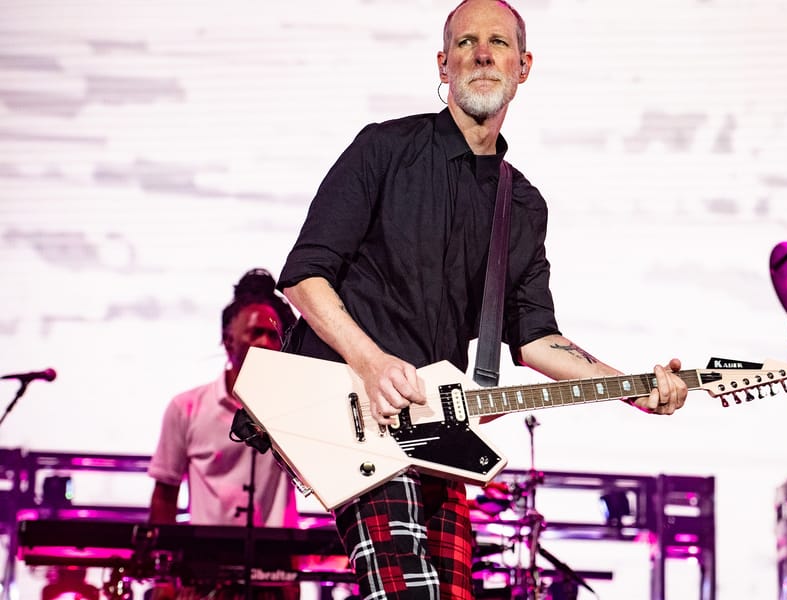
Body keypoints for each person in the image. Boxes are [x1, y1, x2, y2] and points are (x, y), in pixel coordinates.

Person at [277, 1, 689, 598]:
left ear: (524, 66)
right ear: (443, 64)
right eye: (466, 42)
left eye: (498, 42)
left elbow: (536, 337)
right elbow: (304, 276)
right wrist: (370, 363)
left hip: (437, 426)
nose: (482, 53)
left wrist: (632, 387)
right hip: (356, 407)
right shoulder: (384, 148)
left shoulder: (520, 204)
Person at [147, 268, 301, 599]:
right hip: (204, 566)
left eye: (273, 335)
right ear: (228, 339)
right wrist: (163, 575)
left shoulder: (296, 411)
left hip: (274, 569)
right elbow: (165, 494)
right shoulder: (186, 407)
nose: (265, 343)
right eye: (255, 332)